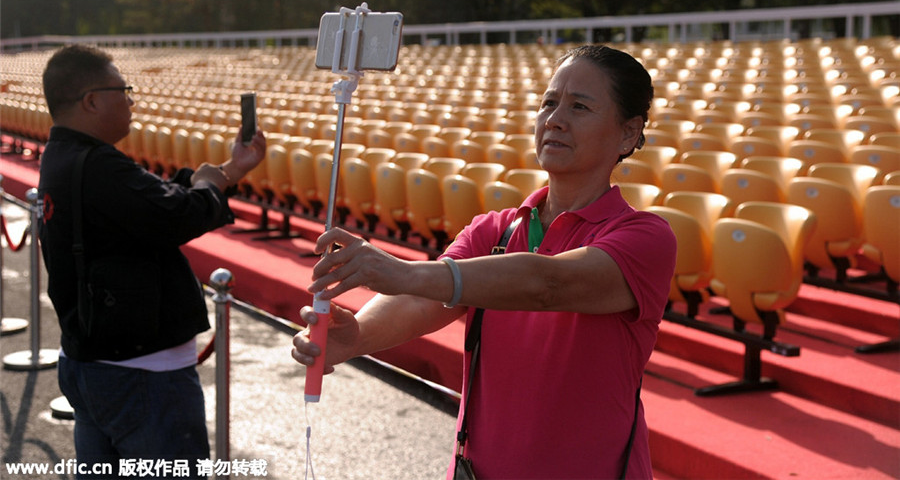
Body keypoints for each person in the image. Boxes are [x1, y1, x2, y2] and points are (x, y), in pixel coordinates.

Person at [291, 44, 677, 479]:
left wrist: (404, 271)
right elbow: (427, 300)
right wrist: (357, 335)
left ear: (628, 134)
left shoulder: (644, 237)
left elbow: (548, 285)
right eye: (549, 102)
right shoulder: (496, 229)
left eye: (580, 106)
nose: (555, 119)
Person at [37, 44, 266, 478]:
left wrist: (226, 174)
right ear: (91, 101)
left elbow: (150, 206)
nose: (131, 101)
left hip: (95, 362)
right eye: (123, 90)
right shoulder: (96, 164)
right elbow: (172, 214)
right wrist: (212, 186)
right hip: (140, 374)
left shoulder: (65, 155)